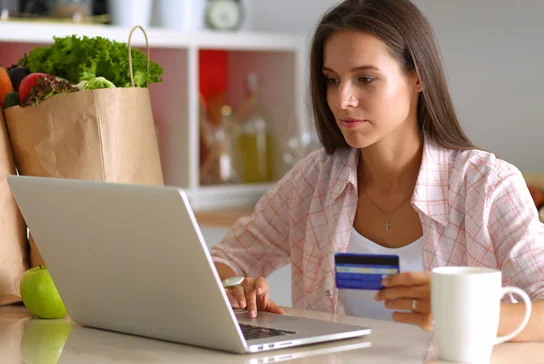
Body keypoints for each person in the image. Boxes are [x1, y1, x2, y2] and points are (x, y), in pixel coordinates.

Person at [209, 0, 544, 342]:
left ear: (418, 77)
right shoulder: (312, 180)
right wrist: (235, 287)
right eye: (331, 80)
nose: (342, 100)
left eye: (365, 78)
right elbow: (221, 262)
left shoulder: (487, 184)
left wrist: (462, 310)